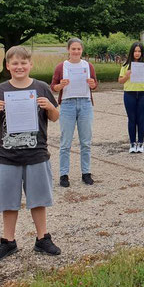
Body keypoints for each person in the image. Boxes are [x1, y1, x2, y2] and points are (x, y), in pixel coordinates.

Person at [0, 46, 61, 262]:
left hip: (36, 153)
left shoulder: (42, 87)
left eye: (23, 63)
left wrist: (49, 107)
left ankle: (42, 238)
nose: (19, 67)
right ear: (8, 66)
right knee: (8, 201)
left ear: (30, 65)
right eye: (15, 63)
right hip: (7, 155)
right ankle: (8, 241)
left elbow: (55, 117)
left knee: (38, 199)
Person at [51, 38, 98, 187]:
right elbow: (53, 87)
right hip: (67, 104)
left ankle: (86, 172)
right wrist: (60, 85)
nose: (76, 51)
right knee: (65, 142)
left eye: (78, 49)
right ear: (68, 50)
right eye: (73, 49)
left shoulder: (88, 66)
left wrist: (93, 84)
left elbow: (95, 84)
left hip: (85, 103)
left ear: (82, 50)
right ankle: (64, 174)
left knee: (86, 142)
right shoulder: (61, 67)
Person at [118, 42, 144, 153]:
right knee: (131, 118)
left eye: (139, 51)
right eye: (135, 51)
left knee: (141, 118)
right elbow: (120, 80)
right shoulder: (126, 65)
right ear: (132, 52)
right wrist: (126, 76)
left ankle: (140, 143)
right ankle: (132, 143)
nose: (137, 53)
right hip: (130, 93)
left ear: (142, 52)